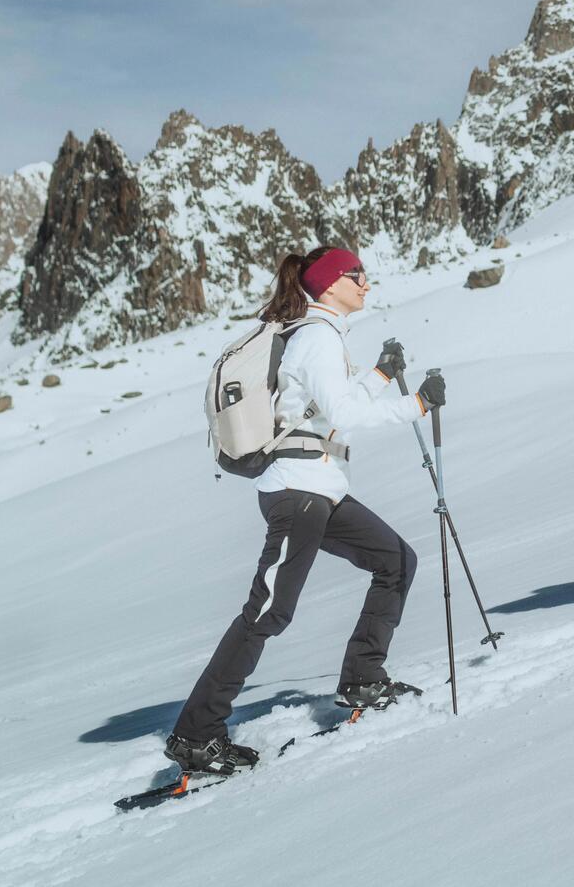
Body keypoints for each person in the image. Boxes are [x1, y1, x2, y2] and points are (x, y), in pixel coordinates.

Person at [163, 245, 447, 775]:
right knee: (268, 611)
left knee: (396, 561)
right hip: (299, 492)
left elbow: (319, 408)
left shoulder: (319, 337)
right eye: (355, 274)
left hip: (319, 488)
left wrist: (382, 376)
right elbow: (341, 413)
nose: (366, 282)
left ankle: (363, 676)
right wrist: (417, 405)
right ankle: (195, 735)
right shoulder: (316, 336)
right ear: (329, 284)